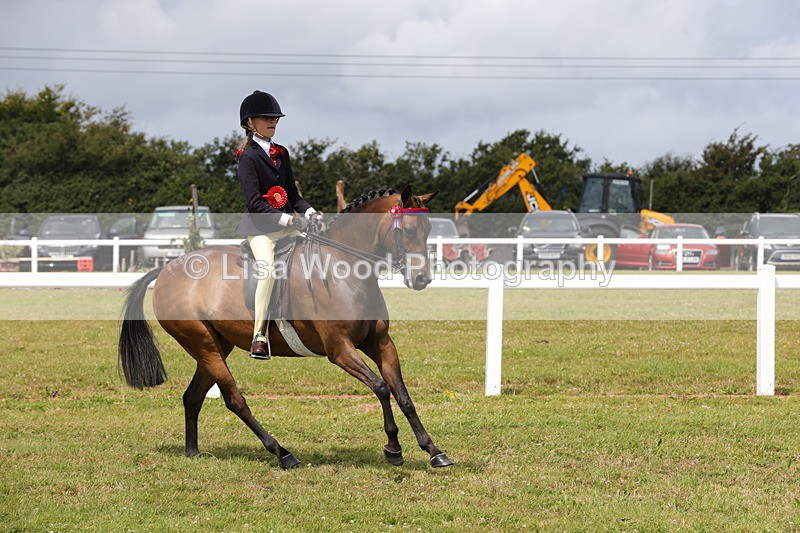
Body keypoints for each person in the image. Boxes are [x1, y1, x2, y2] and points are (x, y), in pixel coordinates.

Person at [235, 90, 322, 359]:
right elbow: (254, 202)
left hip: (287, 225)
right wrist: (288, 218)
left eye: (275, 118)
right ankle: (259, 336)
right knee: (268, 272)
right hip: (261, 230)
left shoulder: (281, 153)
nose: (273, 122)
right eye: (266, 118)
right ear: (250, 123)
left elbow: (292, 195)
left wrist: (310, 213)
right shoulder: (247, 157)